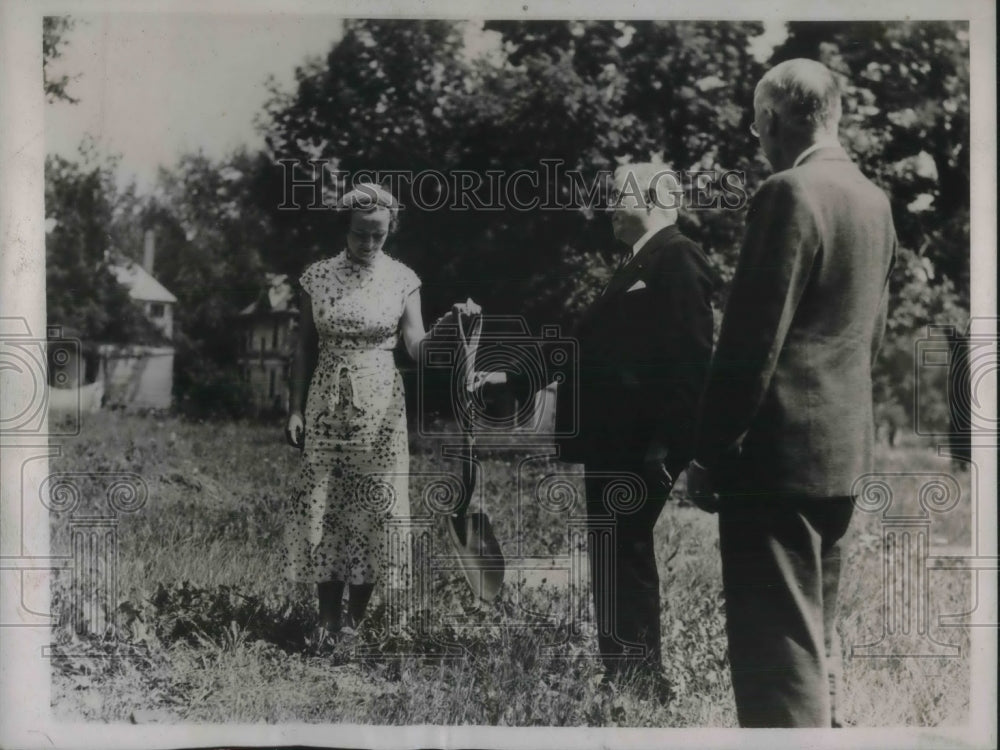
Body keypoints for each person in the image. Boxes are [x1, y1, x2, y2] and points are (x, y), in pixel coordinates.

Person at [686, 59, 897, 727]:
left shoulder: (788, 192)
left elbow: (750, 343)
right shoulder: (873, 198)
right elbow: (873, 338)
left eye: (757, 123)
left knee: (778, 664)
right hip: (839, 457)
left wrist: (710, 452)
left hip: (774, 465)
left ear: (773, 120)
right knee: (815, 646)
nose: (756, 136)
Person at [497, 163, 714, 695]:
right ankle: (621, 672)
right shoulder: (636, 263)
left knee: (626, 552)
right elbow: (584, 345)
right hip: (615, 442)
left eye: (619, 195)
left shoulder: (679, 256)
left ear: (657, 198)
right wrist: (514, 375)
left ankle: (641, 679)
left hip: (643, 447)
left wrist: (668, 446)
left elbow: (692, 361)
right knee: (612, 550)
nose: (609, 205)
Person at [282, 182, 478, 641]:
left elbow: (415, 346)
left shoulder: (403, 279)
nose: (368, 245)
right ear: (344, 230)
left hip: (380, 406)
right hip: (327, 401)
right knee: (326, 507)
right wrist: (294, 410)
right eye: (359, 235)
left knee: (373, 510)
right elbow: (303, 348)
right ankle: (326, 621)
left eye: (378, 235)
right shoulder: (317, 277)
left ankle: (354, 623)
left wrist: (451, 329)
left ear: (391, 230)